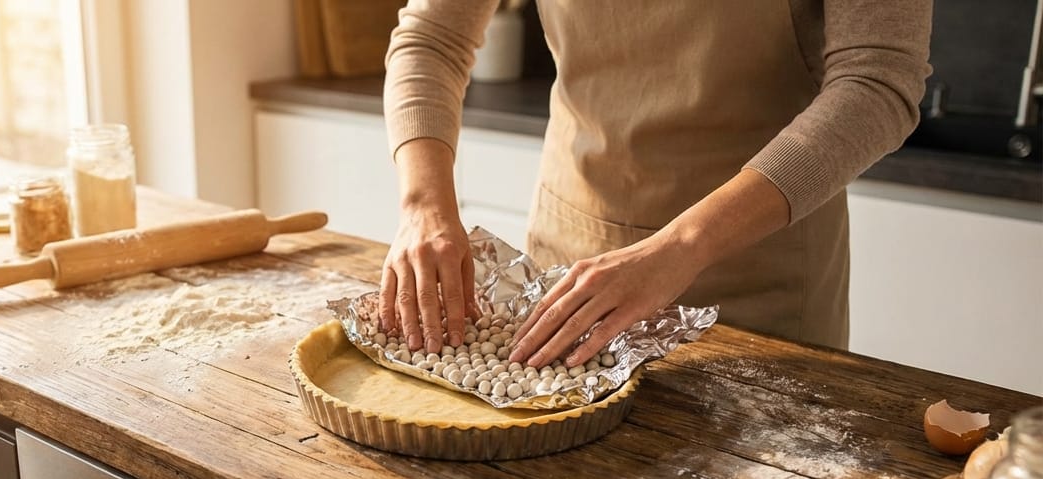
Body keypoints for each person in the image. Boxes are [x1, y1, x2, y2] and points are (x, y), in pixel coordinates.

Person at [378, 1, 932, 370]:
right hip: (567, 259)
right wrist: (423, 204)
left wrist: (683, 246)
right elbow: (433, 38)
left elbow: (877, 82)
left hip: (756, 278)